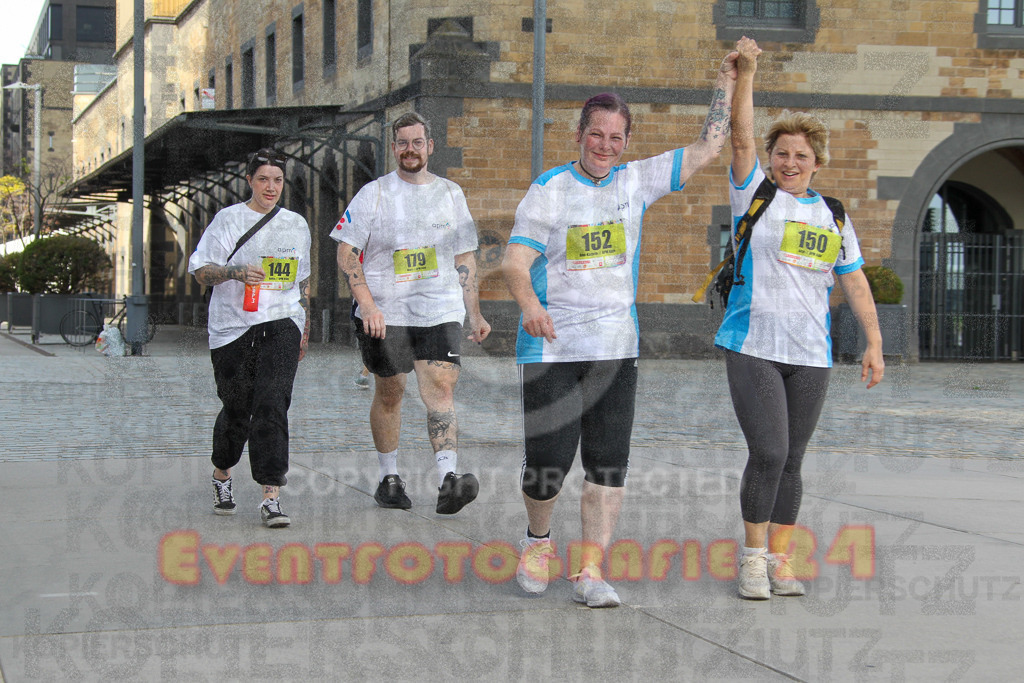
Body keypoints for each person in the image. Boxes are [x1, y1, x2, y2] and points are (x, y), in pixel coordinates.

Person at [501, 46, 741, 607]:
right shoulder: (550, 189)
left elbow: (709, 145)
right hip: (551, 348)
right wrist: (529, 308)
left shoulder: (635, 183)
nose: (605, 146)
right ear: (578, 136)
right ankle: (538, 542)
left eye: (616, 138)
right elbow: (514, 261)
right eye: (596, 135)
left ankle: (590, 571)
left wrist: (726, 81)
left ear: (626, 142)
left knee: (607, 463)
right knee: (548, 464)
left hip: (615, 347)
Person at [719, 38, 884, 599]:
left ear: (818, 163)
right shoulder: (754, 195)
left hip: (811, 353)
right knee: (767, 452)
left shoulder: (833, 214)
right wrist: (749, 72)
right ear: (771, 158)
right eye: (783, 154)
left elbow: (854, 279)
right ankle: (752, 559)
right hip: (753, 344)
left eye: (802, 156)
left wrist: (874, 341)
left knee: (792, 460)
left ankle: (781, 561)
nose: (791, 163)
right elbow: (740, 135)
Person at [332, 112, 490, 514]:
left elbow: (465, 256)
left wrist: (475, 313)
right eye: (402, 143)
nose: (410, 150)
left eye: (417, 142)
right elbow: (347, 250)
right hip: (386, 313)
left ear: (430, 146)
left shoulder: (451, 194)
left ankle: (447, 481)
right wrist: (366, 303)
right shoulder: (374, 194)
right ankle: (389, 478)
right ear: (395, 148)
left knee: (440, 387)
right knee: (391, 391)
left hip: (439, 308)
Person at [188, 148, 311, 528]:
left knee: (273, 404)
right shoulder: (229, 220)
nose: (271, 187)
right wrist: (235, 271)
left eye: (277, 180)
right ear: (250, 181)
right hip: (232, 327)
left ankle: (271, 496)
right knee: (238, 408)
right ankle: (222, 474)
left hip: (282, 321)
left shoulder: (296, 224)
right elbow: (200, 273)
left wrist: (304, 329)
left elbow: (302, 281)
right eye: (263, 179)